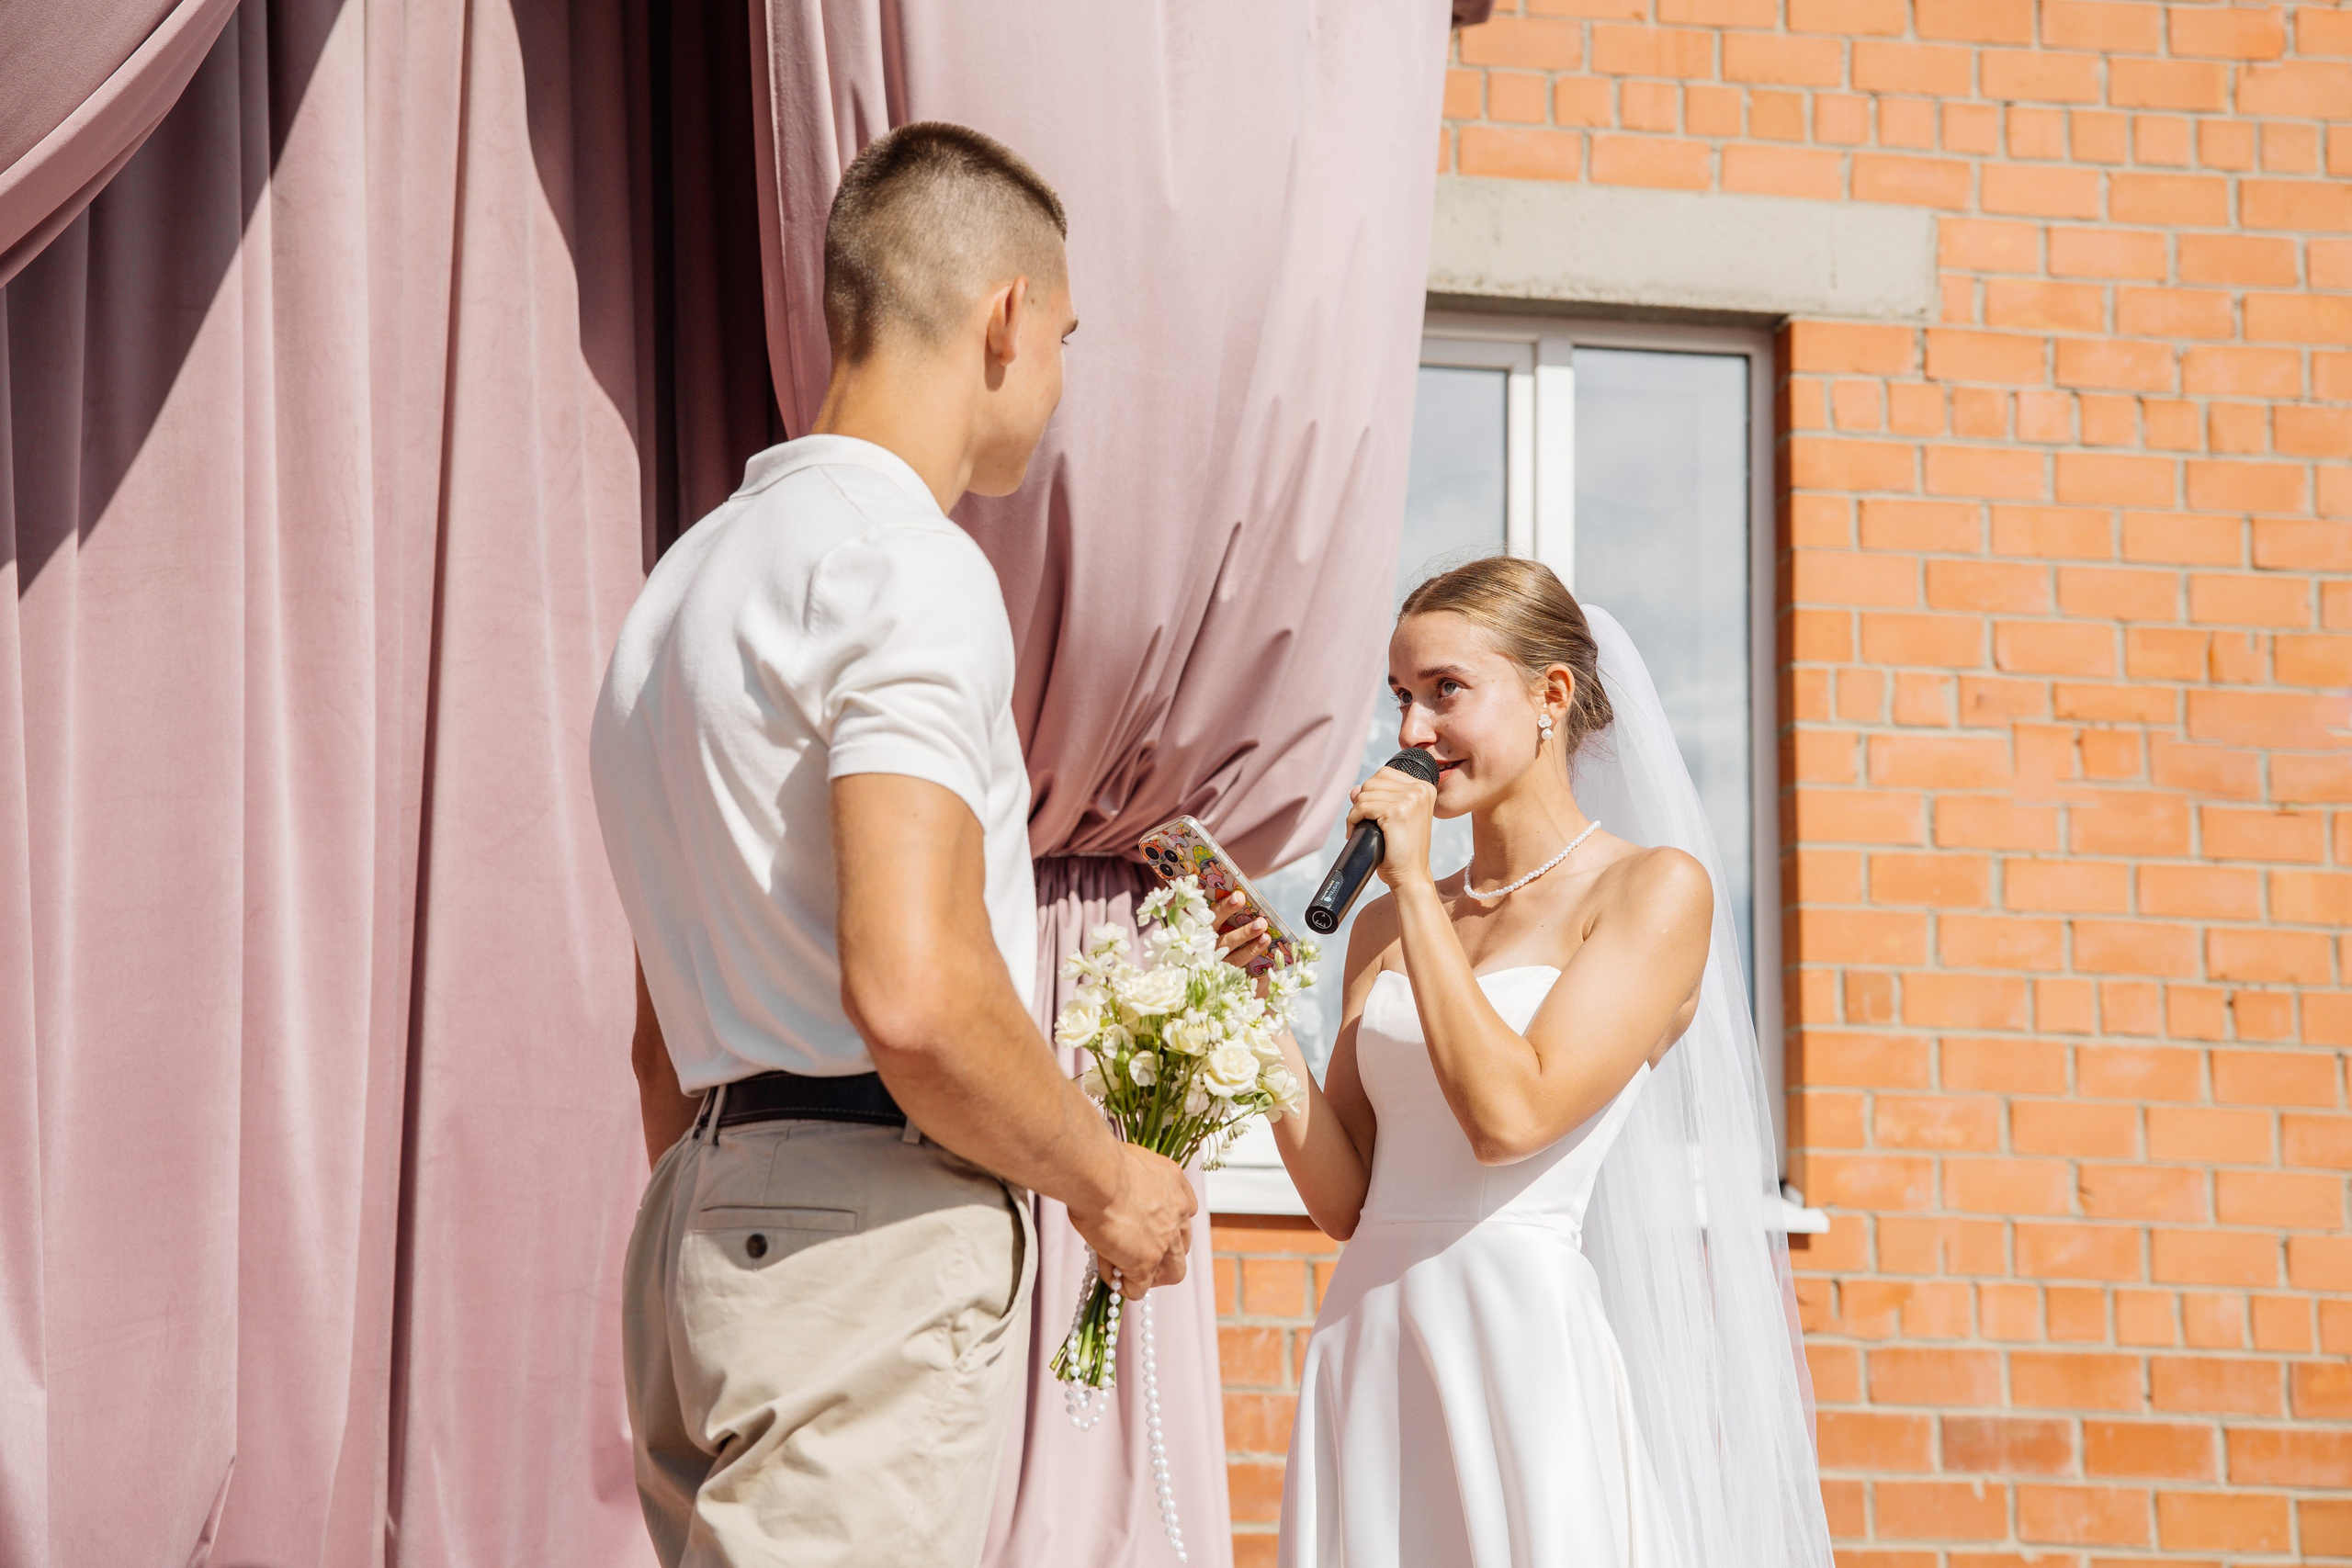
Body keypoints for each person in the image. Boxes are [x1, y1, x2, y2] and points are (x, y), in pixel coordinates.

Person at [589, 122, 1196, 1568]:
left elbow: (656, 1035)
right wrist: (1109, 1178)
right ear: (1003, 318)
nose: (1055, 382)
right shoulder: (908, 565)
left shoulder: (682, 585)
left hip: (701, 1218)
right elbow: (914, 988)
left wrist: (736, 1203)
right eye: (1062, 336)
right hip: (858, 1231)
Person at [1215, 557, 1833, 1567]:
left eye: (1445, 691)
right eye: (1402, 699)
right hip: (1370, 1341)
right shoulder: (1380, 925)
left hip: (1517, 1351)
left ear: (1551, 696)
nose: (1411, 733)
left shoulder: (1647, 891)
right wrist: (1254, 1020)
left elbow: (1511, 1117)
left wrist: (1413, 888)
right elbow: (1343, 1199)